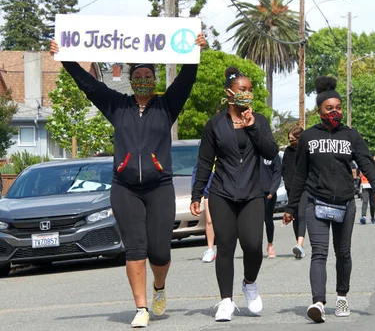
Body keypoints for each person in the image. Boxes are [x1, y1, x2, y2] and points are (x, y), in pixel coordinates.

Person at [50, 35, 206, 328]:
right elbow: (89, 84)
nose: (143, 79)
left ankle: (159, 286)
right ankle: (141, 308)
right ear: (131, 81)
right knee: (135, 248)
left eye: (148, 75)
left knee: (159, 252)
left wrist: (194, 51)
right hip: (125, 188)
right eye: (138, 76)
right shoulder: (117, 106)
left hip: (159, 187)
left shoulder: (167, 105)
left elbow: (187, 77)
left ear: (155, 79)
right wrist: (66, 58)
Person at [282, 76, 375, 323]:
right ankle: (318, 302)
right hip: (315, 202)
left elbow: (366, 164)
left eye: (338, 108)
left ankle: (342, 296)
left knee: (343, 252)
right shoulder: (308, 137)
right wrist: (291, 207)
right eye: (329, 108)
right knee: (319, 252)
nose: (335, 112)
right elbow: (299, 175)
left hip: (345, 203)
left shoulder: (351, 135)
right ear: (319, 110)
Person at [190, 66, 278, 322]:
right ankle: (226, 301)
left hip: (252, 193)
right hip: (221, 194)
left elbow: (271, 152)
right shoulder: (215, 124)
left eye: (250, 90)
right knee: (225, 246)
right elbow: (205, 162)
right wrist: (197, 195)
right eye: (243, 90)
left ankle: (249, 283)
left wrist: (252, 128)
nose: (248, 94)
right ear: (229, 92)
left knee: (253, 246)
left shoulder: (259, 120)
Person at [281, 125, 308, 258]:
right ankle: (299, 245)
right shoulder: (287, 151)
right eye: (289, 139)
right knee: (294, 216)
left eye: (293, 140)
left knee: (302, 214)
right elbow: (284, 168)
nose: (290, 142)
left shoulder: (305, 150)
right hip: (290, 189)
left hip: (304, 189)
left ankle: (300, 244)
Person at [192, 163, 217, 263]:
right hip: (209, 190)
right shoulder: (205, 156)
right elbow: (197, 173)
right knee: (209, 220)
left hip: (225, 189)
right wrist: (195, 195)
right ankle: (210, 249)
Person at [260, 156, 281, 258]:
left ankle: (270, 245)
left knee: (268, 219)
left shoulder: (273, 154)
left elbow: (277, 173)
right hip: (255, 192)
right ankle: (256, 247)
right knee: (256, 221)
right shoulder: (255, 151)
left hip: (269, 193)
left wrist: (272, 190)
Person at [359, 157, 375, 224]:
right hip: (365, 185)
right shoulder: (362, 166)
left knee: (372, 203)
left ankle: (372, 217)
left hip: (372, 185)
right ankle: (363, 217)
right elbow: (359, 174)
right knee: (365, 201)